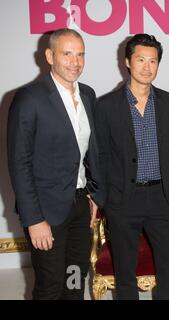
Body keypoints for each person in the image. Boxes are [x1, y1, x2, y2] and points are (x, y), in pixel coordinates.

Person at [7, 28, 103, 299]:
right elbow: (19, 162)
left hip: (79, 207)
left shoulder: (87, 94)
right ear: (50, 56)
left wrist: (94, 193)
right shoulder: (30, 98)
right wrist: (34, 219)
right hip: (46, 211)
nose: (76, 62)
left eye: (81, 54)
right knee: (49, 286)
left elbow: (90, 152)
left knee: (74, 279)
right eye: (67, 54)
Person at [95, 34, 169, 300]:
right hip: (123, 200)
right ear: (127, 62)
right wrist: (106, 198)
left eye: (153, 60)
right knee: (125, 271)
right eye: (141, 59)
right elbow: (100, 156)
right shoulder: (106, 106)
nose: (147, 66)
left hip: (163, 199)